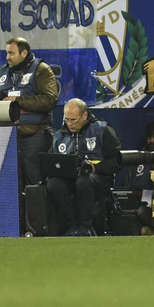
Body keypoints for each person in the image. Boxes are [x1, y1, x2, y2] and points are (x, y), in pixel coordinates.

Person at [46, 98, 121, 236]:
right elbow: (52, 161)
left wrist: (96, 168)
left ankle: (85, 225)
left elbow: (117, 160)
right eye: (67, 119)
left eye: (73, 120)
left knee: (83, 181)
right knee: (53, 184)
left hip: (98, 178)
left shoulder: (102, 130)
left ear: (84, 115)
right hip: (70, 178)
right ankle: (73, 225)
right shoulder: (59, 136)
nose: (70, 124)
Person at [0, 37, 60, 190]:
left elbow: (50, 100)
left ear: (24, 53)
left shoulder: (41, 69)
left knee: (35, 182)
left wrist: (18, 101)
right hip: (9, 136)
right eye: (7, 53)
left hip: (34, 134)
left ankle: (39, 214)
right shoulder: (3, 70)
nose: (7, 57)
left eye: (11, 53)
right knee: (11, 184)